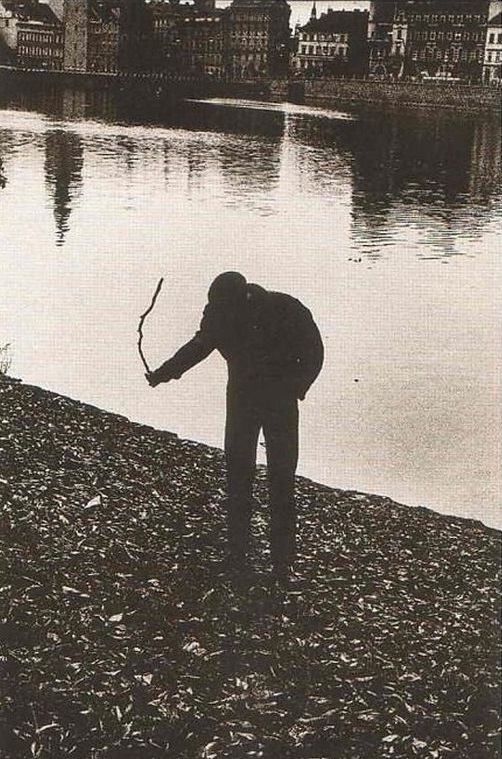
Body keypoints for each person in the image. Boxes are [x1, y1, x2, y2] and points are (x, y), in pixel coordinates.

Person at [146, 272, 324, 581]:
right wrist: (165, 372)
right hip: (241, 401)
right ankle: (237, 557)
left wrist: (297, 387)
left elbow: (314, 352)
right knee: (238, 478)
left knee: (281, 481)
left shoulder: (285, 308)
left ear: (245, 299)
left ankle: (283, 564)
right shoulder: (220, 312)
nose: (217, 317)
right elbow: (198, 347)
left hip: (279, 402)